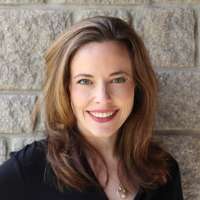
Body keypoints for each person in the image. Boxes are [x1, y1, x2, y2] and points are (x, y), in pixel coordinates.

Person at [0, 16, 183, 200]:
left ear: (137, 84)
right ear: (66, 88)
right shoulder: (32, 169)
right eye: (85, 81)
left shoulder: (163, 172)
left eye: (118, 79)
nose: (102, 98)